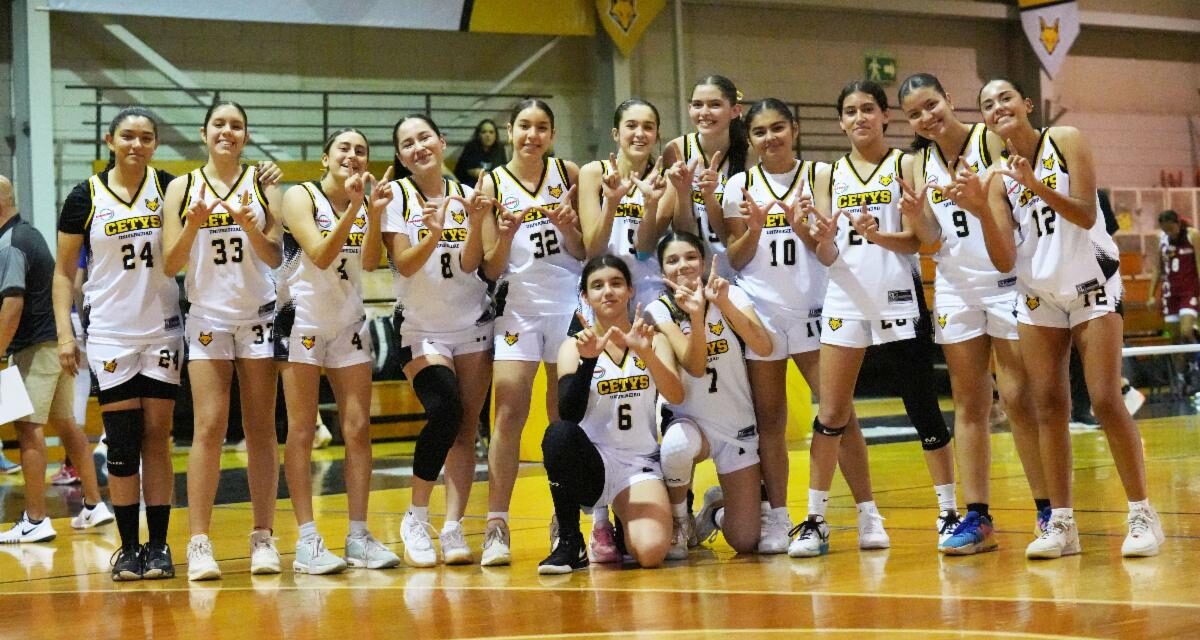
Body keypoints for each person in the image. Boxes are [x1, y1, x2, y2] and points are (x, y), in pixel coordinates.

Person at [956, 77, 1164, 558]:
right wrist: (982, 212)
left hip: (1091, 280)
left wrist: (1035, 186)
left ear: (1026, 104)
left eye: (1005, 97)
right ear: (985, 120)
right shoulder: (994, 179)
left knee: (1107, 399)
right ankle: (1062, 524)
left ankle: (1141, 514)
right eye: (987, 104)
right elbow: (1006, 260)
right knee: (1046, 404)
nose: (997, 107)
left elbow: (1088, 214)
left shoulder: (1065, 141)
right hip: (1038, 293)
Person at [789, 81, 957, 558]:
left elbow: (923, 240)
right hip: (844, 298)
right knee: (832, 413)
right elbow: (825, 252)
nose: (859, 117)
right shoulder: (826, 174)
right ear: (840, 121)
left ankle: (947, 513)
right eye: (850, 111)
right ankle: (819, 520)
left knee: (922, 405)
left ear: (886, 116)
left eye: (868, 109)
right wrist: (814, 233)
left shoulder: (907, 163)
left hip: (899, 296)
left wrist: (885, 233)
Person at [896, 73, 1049, 553]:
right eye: (915, 113)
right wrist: (917, 213)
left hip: (1008, 280)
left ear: (949, 98)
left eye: (931, 104)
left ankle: (1048, 509)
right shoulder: (918, 163)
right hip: (956, 286)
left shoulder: (992, 139)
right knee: (970, 403)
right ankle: (978, 516)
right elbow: (932, 240)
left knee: (1020, 399)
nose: (926, 117)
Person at [53, 107, 183, 580]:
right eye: (128, 135)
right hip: (108, 331)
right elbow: (64, 273)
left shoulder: (171, 188)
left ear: (155, 143)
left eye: (146, 137)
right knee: (124, 445)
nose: (136, 144)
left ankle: (160, 545)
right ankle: (128, 547)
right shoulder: (83, 196)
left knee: (158, 439)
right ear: (110, 140)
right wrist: (66, 333)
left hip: (163, 328)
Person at [161, 101, 285, 580]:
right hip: (208, 316)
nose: (227, 131)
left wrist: (252, 224)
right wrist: (193, 223)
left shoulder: (265, 183)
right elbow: (170, 264)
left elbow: (275, 257)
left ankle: (263, 538)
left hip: (256, 315)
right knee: (208, 428)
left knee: (260, 429)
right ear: (204, 132)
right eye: (219, 124)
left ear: (246, 135)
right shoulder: (181, 187)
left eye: (236, 125)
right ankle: (198, 543)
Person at [275, 127, 398, 573]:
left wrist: (375, 213)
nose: (353, 155)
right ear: (325, 158)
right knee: (303, 430)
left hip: (347, 321)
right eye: (344, 149)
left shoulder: (363, 202)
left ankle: (358, 536)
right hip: (301, 321)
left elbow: (368, 262)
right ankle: (307, 541)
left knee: (358, 428)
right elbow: (322, 255)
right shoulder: (299, 197)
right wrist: (352, 210)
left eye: (360, 151)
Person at [382, 114, 494, 568]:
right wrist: (431, 232)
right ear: (402, 154)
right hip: (421, 328)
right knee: (444, 410)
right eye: (407, 143)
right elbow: (404, 265)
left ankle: (451, 527)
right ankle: (416, 515)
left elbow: (473, 264)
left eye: (424, 137)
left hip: (471, 324)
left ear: (442, 141)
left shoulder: (469, 196)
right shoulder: (396, 198)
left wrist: (476, 220)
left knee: (466, 429)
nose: (418, 147)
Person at [481, 99, 585, 564]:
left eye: (542, 127)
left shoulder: (571, 173)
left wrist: (569, 228)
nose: (532, 135)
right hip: (518, 308)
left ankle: (564, 521)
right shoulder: (491, 182)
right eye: (524, 126)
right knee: (508, 409)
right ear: (509, 130)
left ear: (553, 134)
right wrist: (503, 234)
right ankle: (496, 524)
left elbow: (586, 248)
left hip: (566, 304)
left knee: (562, 415)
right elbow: (489, 265)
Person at [538, 255, 683, 574]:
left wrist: (648, 355)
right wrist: (588, 362)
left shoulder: (652, 340)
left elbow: (676, 395)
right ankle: (569, 540)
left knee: (650, 553)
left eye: (616, 283)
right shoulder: (572, 348)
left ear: (631, 290)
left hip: (638, 464)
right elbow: (568, 414)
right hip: (594, 465)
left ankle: (616, 527)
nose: (608, 291)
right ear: (586, 296)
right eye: (598, 285)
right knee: (558, 435)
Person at [0, 173, 112, 544]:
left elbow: (12, 304)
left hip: (35, 347)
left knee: (27, 430)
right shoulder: (28, 234)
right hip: (55, 343)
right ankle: (94, 505)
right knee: (66, 424)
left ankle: (35, 519)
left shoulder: (10, 243)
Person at [647, 232, 771, 558]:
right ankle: (679, 520)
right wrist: (696, 317)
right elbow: (696, 366)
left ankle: (715, 509)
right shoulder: (660, 310)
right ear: (663, 270)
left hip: (736, 426)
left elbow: (764, 345)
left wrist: (724, 303)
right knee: (675, 447)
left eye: (690, 257)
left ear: (703, 261)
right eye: (672, 260)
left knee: (744, 541)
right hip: (691, 424)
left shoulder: (731, 294)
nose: (683, 265)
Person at [580, 99, 674, 309]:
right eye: (631, 126)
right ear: (616, 134)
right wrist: (611, 203)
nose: (640, 133)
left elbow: (644, 251)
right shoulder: (593, 173)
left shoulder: (665, 181)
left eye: (648, 127)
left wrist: (650, 206)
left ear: (656, 136)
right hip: (604, 286)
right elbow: (593, 251)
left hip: (648, 286)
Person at [663, 74, 751, 279]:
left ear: (735, 111)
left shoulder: (751, 153)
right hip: (695, 272)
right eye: (697, 104)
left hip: (741, 270)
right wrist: (683, 193)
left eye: (714, 105)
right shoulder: (676, 149)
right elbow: (681, 229)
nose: (704, 112)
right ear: (689, 109)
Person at [1147, 209, 1200, 390]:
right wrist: (1151, 295)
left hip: (1189, 291)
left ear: (1178, 223)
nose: (1169, 233)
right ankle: (1180, 377)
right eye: (1165, 230)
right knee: (1175, 339)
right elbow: (1157, 269)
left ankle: (1195, 369)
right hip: (1170, 293)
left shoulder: (1192, 235)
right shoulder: (1161, 240)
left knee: (1187, 331)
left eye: (1171, 229)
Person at [454, 119, 507, 184]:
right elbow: (467, 171)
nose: (488, 135)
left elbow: (503, 172)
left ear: (496, 135)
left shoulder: (500, 148)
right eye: (484, 132)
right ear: (478, 135)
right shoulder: (471, 147)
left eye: (491, 132)